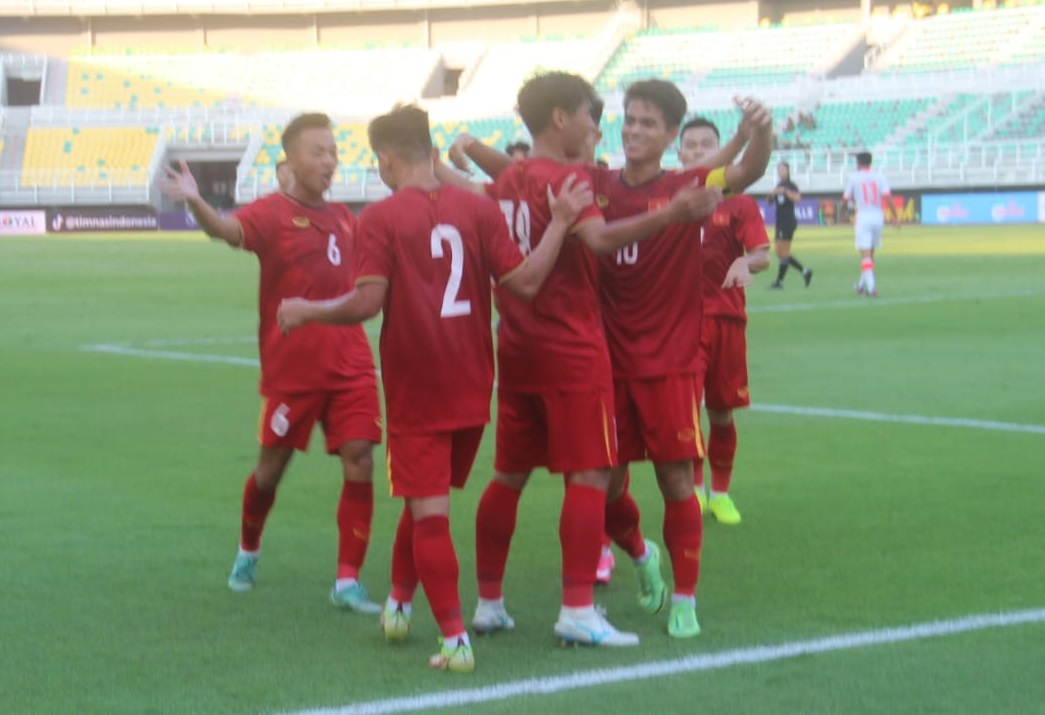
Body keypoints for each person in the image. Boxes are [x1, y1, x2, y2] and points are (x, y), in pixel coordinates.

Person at [277, 105, 593, 672]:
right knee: (424, 497)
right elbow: (524, 282)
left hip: (418, 385)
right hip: (474, 383)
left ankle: (453, 639)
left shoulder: (379, 218)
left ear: (387, 158)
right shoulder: (476, 209)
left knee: (429, 515)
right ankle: (399, 602)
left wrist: (306, 311)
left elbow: (366, 302)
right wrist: (560, 223)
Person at [437, 71, 723, 647]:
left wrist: (453, 159)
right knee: (590, 476)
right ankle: (576, 610)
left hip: (516, 348)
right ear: (561, 119)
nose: (600, 126)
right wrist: (672, 214)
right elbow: (597, 241)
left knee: (508, 477)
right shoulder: (570, 177)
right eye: (590, 115)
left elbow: (477, 193)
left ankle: (489, 602)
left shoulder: (514, 177)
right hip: (571, 349)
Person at [156, 113, 383, 613]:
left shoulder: (347, 218)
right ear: (290, 161)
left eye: (333, 151)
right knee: (269, 472)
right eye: (317, 152)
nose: (329, 161)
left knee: (361, 459)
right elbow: (224, 229)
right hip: (293, 372)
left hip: (352, 365)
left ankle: (347, 581)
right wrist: (196, 199)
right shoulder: (271, 214)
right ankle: (248, 550)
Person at [588, 83, 771, 637]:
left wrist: (758, 132)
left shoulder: (686, 185)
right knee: (604, 484)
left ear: (670, 136)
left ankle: (685, 598)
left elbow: (747, 172)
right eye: (630, 120)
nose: (635, 130)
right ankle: (642, 556)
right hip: (606, 365)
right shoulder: (595, 186)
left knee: (673, 480)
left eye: (648, 123)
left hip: (670, 364)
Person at [678, 117, 771, 525]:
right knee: (685, 413)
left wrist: (742, 264)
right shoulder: (670, 199)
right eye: (692, 145)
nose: (699, 151)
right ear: (679, 153)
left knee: (720, 412)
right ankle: (694, 491)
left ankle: (721, 493)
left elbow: (762, 256)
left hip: (726, 322)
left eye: (706, 145)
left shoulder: (740, 204)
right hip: (679, 325)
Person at [843, 151, 898, 297]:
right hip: (878, 217)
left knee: (865, 255)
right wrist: (895, 217)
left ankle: (872, 289)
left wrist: (844, 212)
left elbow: (846, 198)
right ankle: (861, 286)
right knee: (870, 255)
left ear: (859, 163)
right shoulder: (880, 176)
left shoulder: (854, 177)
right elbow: (887, 197)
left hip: (863, 217)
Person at [766, 161, 812, 289]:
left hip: (787, 222)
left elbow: (797, 198)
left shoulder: (790, 185)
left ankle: (780, 282)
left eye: (782, 169)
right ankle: (805, 272)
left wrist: (784, 191)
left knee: (783, 252)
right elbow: (769, 202)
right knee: (781, 253)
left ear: (788, 171)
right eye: (778, 169)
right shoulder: (779, 185)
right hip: (780, 221)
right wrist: (771, 194)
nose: (780, 171)